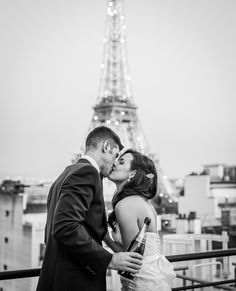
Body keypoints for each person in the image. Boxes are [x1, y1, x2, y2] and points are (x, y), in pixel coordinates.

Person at [36, 127, 143, 291]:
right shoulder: (87, 173)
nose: (115, 162)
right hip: (75, 282)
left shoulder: (64, 175)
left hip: (56, 277)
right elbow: (65, 227)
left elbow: (50, 232)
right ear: (106, 146)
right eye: (115, 155)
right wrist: (110, 260)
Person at [104, 149, 176, 291]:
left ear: (133, 173)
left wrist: (106, 237)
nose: (114, 163)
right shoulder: (145, 202)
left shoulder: (126, 205)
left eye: (121, 162)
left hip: (140, 284)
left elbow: (130, 258)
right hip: (153, 279)